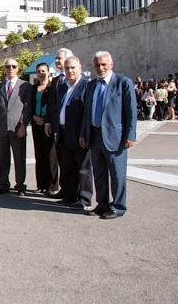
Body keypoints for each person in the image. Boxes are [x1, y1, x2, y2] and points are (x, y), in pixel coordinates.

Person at [80, 51, 136, 219]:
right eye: (97, 65)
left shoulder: (123, 83)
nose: (100, 67)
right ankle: (102, 204)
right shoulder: (91, 85)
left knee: (117, 174)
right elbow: (87, 112)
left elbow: (131, 111)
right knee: (99, 172)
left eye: (104, 64)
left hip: (115, 136)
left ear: (111, 64)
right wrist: (84, 133)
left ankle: (118, 206)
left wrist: (130, 134)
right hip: (95, 135)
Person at [50, 57, 93, 210]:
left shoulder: (86, 86)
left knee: (83, 168)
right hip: (63, 132)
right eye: (67, 68)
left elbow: (88, 114)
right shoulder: (62, 87)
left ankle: (84, 198)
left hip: (78, 134)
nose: (70, 71)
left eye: (73, 68)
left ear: (80, 68)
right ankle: (69, 195)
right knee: (67, 166)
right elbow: (57, 110)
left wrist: (84, 134)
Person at [0, 58, 32, 196]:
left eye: (13, 66)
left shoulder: (25, 86)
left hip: (17, 128)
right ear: (4, 69)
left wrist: (23, 125)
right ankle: (3, 184)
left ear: (18, 68)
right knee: (2, 158)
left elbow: (27, 108)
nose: (11, 69)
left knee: (19, 158)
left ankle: (20, 186)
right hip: (1, 129)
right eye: (8, 66)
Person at [44, 48, 73, 198]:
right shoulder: (56, 80)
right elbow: (51, 104)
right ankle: (64, 189)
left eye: (59, 58)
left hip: (72, 128)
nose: (56, 61)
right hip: (57, 127)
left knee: (72, 162)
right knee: (61, 159)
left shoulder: (73, 79)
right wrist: (48, 122)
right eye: (56, 58)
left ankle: (75, 192)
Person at [31, 62, 56, 195]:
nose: (41, 73)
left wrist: (47, 121)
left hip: (49, 125)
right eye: (39, 71)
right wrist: (34, 117)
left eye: (43, 71)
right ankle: (41, 184)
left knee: (51, 156)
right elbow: (29, 106)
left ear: (48, 72)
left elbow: (54, 107)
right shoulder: (34, 88)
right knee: (39, 155)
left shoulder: (53, 87)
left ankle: (52, 186)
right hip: (36, 124)